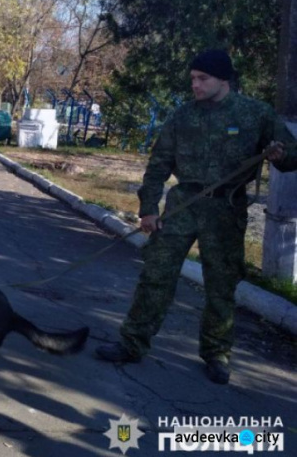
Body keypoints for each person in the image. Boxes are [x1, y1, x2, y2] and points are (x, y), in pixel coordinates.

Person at [95, 49, 297, 384]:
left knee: (221, 285)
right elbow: (158, 165)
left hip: (226, 209)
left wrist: (280, 153)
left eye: (202, 78)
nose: (196, 85)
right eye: (193, 79)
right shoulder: (182, 116)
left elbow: (291, 158)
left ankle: (217, 354)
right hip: (183, 205)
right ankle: (132, 343)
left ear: (223, 79)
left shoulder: (256, 114)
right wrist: (148, 209)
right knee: (156, 274)